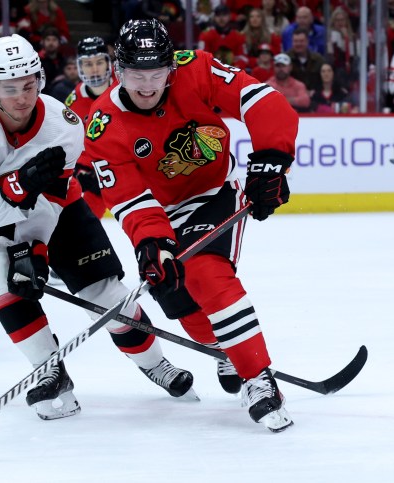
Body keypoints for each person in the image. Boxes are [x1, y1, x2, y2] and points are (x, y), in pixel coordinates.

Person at [0, 33, 195, 421]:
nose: (21, 98)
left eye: (29, 86)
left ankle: (155, 364)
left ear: (40, 79)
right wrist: (13, 191)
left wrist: (37, 248)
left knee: (106, 293)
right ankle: (50, 370)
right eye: (9, 89)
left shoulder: (63, 123)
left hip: (55, 213)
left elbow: (53, 199)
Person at [81, 19, 297, 432]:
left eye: (157, 74)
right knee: (174, 293)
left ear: (171, 69)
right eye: (136, 75)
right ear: (117, 71)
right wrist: (151, 242)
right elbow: (129, 199)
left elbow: (263, 100)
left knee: (203, 269)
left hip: (216, 191)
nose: (147, 86)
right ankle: (226, 349)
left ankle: (259, 378)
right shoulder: (103, 125)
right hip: (163, 212)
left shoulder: (196, 69)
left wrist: (271, 160)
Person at [65, 36, 116, 219]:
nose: (94, 69)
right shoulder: (74, 101)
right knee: (85, 219)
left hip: (131, 159)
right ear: (79, 66)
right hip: (97, 169)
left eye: (99, 62)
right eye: (87, 64)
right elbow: (71, 142)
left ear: (108, 63)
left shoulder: (126, 86)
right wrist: (81, 170)